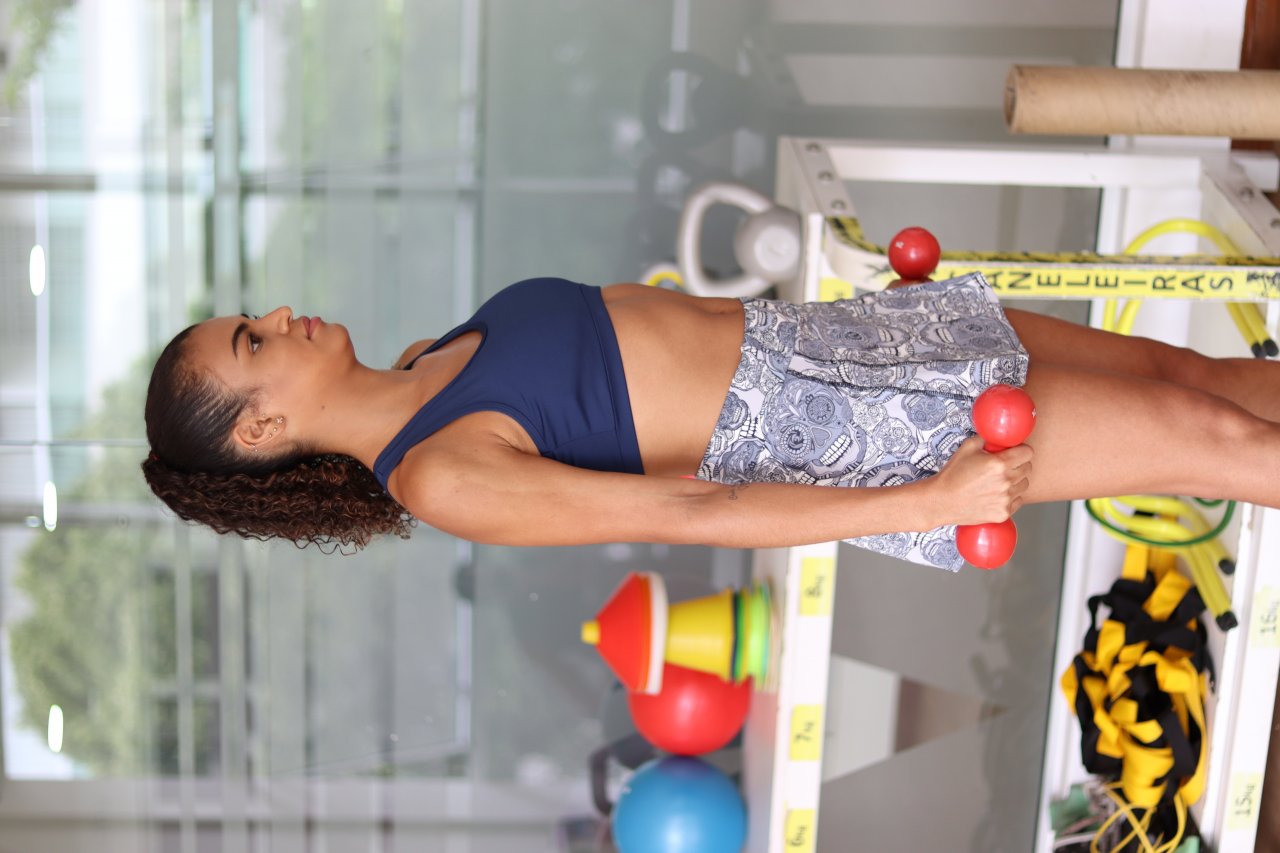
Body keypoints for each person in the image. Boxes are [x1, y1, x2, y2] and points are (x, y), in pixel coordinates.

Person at [142, 274, 1280, 571]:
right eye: (253, 342)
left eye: (252, 317)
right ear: (260, 431)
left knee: (1191, 377)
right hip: (851, 429)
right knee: (1213, 443)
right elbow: (696, 510)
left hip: (836, 339)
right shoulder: (437, 477)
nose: (277, 317)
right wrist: (925, 501)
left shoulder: (423, 359)